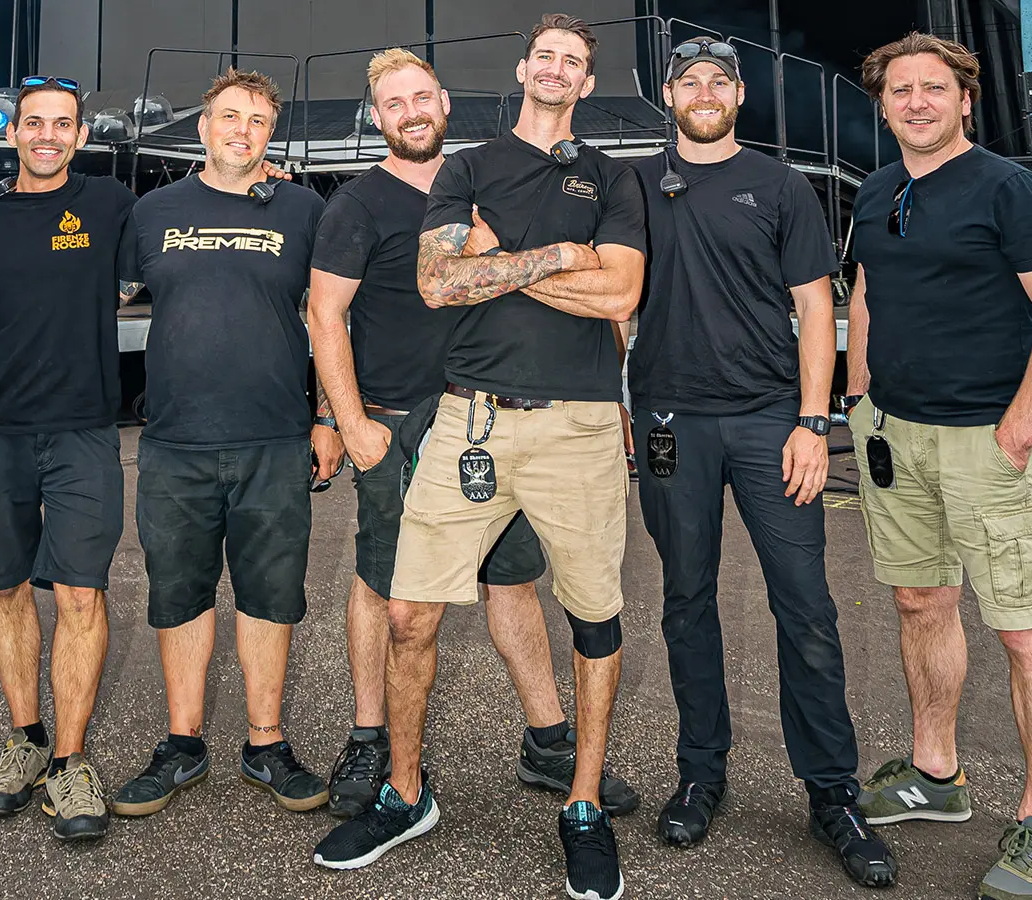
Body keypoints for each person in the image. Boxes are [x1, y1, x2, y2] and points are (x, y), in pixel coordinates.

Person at [313, 17, 644, 900]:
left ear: (586, 80)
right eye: (547, 57)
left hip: (576, 425)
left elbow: (622, 289)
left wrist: (500, 257)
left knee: (591, 619)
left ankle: (580, 805)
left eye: (575, 61)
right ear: (523, 70)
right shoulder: (468, 168)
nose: (558, 70)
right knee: (409, 615)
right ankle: (405, 791)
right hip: (473, 420)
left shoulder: (613, 176)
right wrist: (560, 256)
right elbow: (437, 282)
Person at [627, 37, 897, 888]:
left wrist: (813, 424)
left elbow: (816, 308)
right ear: (667, 95)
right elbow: (611, 294)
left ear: (739, 95)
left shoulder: (781, 185)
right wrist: (617, 398)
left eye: (718, 80)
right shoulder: (636, 183)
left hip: (769, 423)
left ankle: (833, 793)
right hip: (671, 420)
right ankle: (701, 773)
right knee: (685, 602)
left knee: (808, 608)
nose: (703, 92)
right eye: (687, 80)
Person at [846, 32, 1032, 900]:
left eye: (932, 89)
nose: (915, 102)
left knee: (1025, 630)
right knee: (921, 602)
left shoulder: (1014, 192)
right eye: (900, 91)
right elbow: (869, 292)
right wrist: (857, 395)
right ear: (883, 105)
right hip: (894, 436)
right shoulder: (875, 191)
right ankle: (934, 773)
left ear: (964, 100)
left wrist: (1018, 433)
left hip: (986, 442)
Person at [109, 68, 333, 819]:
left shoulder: (303, 209)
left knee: (271, 597)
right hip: (175, 441)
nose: (243, 130)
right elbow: (92, 297)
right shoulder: (152, 212)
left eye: (259, 121)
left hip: (274, 438)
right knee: (179, 594)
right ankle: (183, 743)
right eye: (230, 116)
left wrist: (329, 414)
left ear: (271, 133)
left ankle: (266, 744)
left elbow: (335, 320)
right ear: (202, 127)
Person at [0, 75, 140, 842]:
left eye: (63, 124)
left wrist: (264, 177)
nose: (48, 135)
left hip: (85, 428)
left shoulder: (110, 205)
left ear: (82, 136)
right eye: (34, 123)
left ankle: (69, 759)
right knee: (6, 586)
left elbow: (151, 261)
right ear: (13, 133)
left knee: (83, 595)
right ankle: (24, 740)